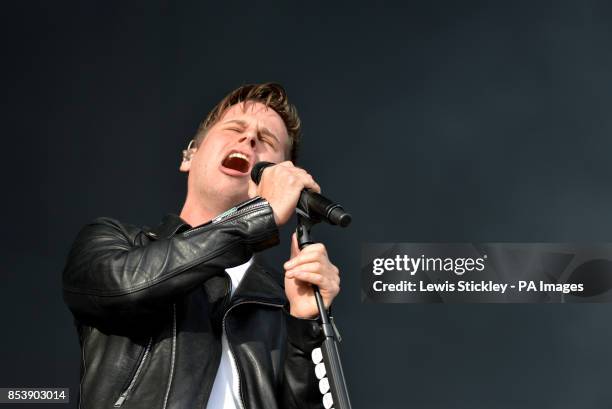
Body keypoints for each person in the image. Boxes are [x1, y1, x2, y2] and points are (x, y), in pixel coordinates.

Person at [62, 83, 341, 409]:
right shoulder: (116, 241)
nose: (249, 139)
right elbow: (124, 287)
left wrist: (304, 325)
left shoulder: (279, 303)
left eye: (266, 141)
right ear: (189, 156)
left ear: (283, 176)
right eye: (235, 128)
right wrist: (259, 217)